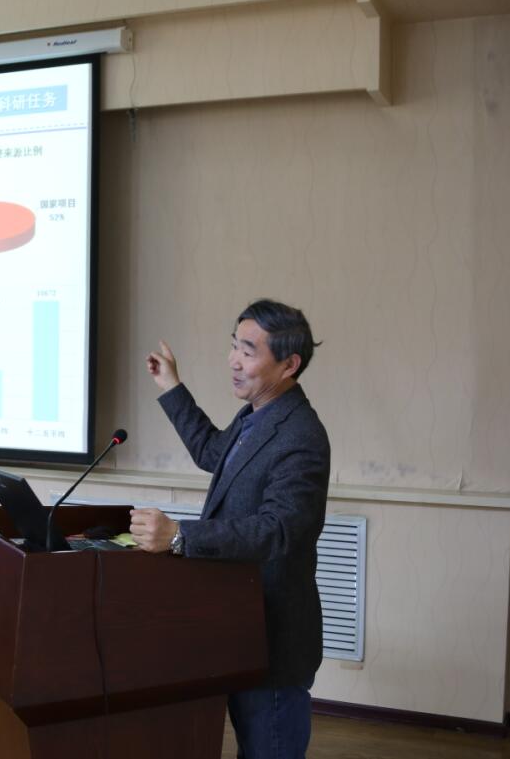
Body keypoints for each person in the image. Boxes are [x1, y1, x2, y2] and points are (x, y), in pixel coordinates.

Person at [130, 298, 331, 759]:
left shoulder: (300, 435)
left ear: (289, 364)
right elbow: (212, 452)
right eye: (234, 346)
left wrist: (180, 536)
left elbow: (279, 530)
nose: (233, 360)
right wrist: (171, 386)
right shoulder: (258, 415)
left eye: (248, 351)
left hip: (273, 642)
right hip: (239, 628)